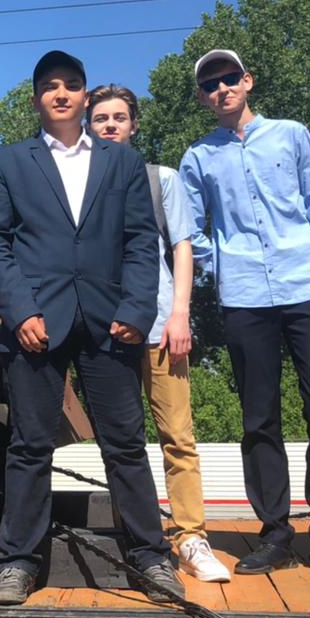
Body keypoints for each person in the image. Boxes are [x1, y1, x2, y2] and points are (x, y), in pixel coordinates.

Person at [0, 49, 181, 606]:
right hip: (35, 323)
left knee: (125, 444)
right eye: (50, 86)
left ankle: (150, 557)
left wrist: (136, 310)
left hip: (110, 322)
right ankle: (18, 562)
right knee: (29, 445)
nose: (61, 93)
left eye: (70, 84)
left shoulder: (123, 163)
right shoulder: (6, 164)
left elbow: (141, 241)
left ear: (85, 97)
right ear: (36, 100)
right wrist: (20, 312)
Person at [179, 49, 310, 578]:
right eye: (210, 84)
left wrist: (297, 247)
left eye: (228, 78)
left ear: (248, 81)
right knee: (259, 417)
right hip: (243, 296)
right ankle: (276, 534)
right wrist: (223, 263)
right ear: (202, 98)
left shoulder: (292, 134)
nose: (221, 89)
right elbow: (191, 227)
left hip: (304, 285)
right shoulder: (198, 157)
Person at [88, 84, 230, 583]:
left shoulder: (159, 179)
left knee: (177, 437)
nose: (110, 125)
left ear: (134, 124)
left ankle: (191, 538)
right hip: (104, 332)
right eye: (100, 118)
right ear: (88, 126)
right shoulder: (78, 185)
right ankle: (136, 540)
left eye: (118, 117)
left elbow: (182, 248)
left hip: (160, 327)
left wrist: (180, 314)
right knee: (120, 442)